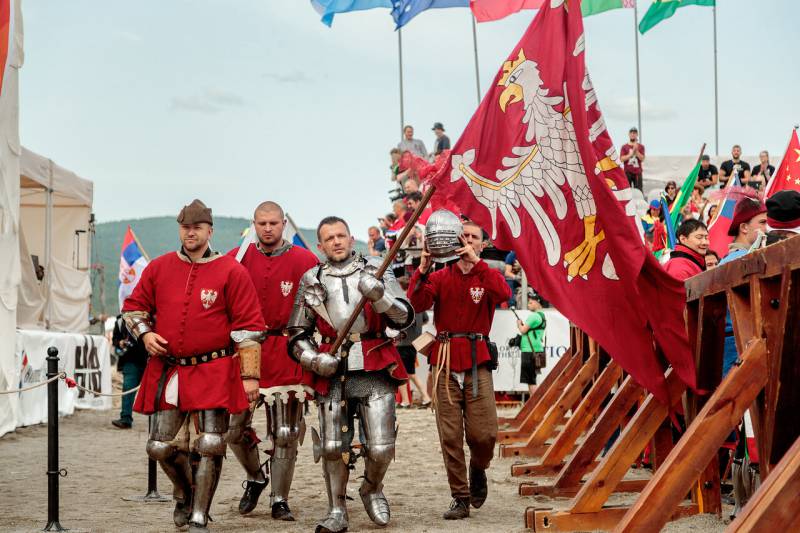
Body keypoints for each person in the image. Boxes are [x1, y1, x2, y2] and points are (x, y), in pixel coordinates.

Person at [122, 199, 265, 533]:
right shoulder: (158, 267)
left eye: (197, 227)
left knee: (212, 444)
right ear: (180, 229)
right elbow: (133, 307)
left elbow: (249, 328)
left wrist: (249, 378)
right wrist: (145, 333)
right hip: (169, 369)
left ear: (209, 230)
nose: (190, 233)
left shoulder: (232, 271)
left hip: (214, 368)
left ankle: (200, 514)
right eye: (185, 227)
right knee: (158, 447)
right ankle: (186, 493)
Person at [287, 216, 413, 533]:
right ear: (320, 245)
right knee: (332, 446)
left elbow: (405, 318)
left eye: (341, 236)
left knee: (381, 447)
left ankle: (371, 488)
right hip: (332, 368)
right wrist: (314, 359)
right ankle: (336, 509)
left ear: (350, 237)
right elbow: (296, 335)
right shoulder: (311, 279)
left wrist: (380, 297)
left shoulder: (375, 270)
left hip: (373, 360)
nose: (337, 242)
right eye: (329, 238)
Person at [407, 211, 511, 520]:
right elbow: (417, 304)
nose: (465, 242)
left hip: (477, 359)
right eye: (461, 237)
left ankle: (478, 467)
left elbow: (504, 295)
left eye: (472, 238)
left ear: (482, 245)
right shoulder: (440, 276)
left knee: (485, 435)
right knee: (449, 435)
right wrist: (423, 270)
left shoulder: (489, 274)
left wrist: (477, 264)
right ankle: (460, 497)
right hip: (445, 359)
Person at [225, 201, 319, 520]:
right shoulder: (236, 260)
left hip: (286, 349)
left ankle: (280, 498)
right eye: (262, 223)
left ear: (283, 224)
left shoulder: (306, 261)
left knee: (286, 432)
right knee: (232, 428)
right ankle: (256, 477)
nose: (268, 228)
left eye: (274, 223)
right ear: (254, 224)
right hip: (245, 350)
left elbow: (323, 303)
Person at [111, 313, 148, 429]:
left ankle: (159, 419)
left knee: (156, 390)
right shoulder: (120, 321)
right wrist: (120, 343)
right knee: (128, 388)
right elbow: (115, 339)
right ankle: (126, 418)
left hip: (151, 359)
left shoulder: (151, 316)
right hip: (130, 360)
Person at [395, 308, 433, 408]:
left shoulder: (403, 305)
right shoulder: (418, 306)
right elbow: (425, 320)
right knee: (410, 373)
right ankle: (425, 398)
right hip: (414, 343)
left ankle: (406, 401)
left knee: (401, 374)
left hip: (402, 344)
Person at [721, 197, 767, 263]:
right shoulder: (739, 259)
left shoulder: (745, 256)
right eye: (762, 222)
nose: (767, 228)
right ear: (744, 227)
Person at [517, 295, 546, 396]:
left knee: (531, 380)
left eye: (531, 302)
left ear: (538, 303)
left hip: (529, 351)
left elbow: (523, 330)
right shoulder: (542, 315)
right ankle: (534, 405)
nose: (529, 305)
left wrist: (519, 324)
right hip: (536, 350)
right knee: (531, 379)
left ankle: (536, 404)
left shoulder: (534, 316)